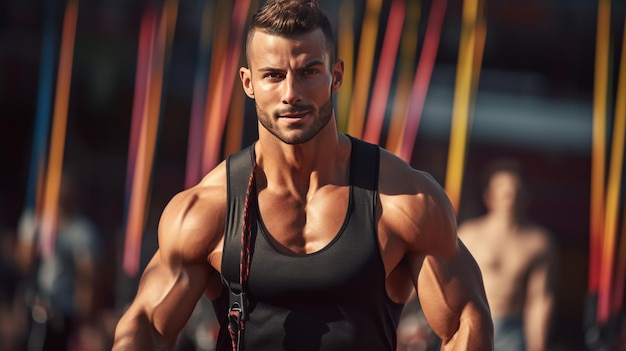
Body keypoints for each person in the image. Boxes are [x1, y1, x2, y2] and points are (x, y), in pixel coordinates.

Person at [113, 1, 493, 350]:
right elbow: (144, 326)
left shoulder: (405, 199)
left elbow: (466, 321)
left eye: (309, 71)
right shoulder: (205, 210)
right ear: (248, 84)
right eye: (273, 76)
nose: (291, 92)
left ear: (336, 75)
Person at [458, 160, 556, 351]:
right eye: (502, 190)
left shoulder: (539, 242)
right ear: (489, 196)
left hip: (511, 331)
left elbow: (540, 298)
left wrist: (538, 345)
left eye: (515, 190)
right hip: (468, 323)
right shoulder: (468, 234)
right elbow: (443, 281)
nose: (509, 196)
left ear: (527, 195)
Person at [16, 171, 101, 351]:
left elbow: (87, 280)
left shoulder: (83, 232)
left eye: (66, 188)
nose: (61, 193)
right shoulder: (34, 221)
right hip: (32, 304)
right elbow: (22, 264)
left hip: (62, 313)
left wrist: (82, 318)